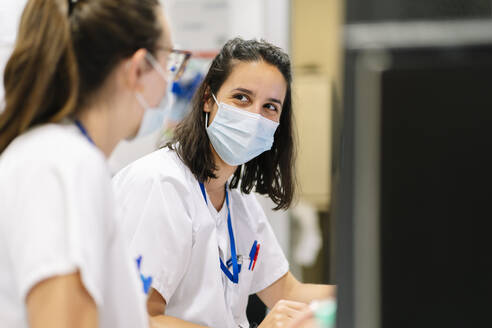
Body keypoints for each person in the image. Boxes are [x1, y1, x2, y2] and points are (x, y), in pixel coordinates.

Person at [112, 38, 336, 328]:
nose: (255, 116)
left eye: (270, 106)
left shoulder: (237, 199)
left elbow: (287, 292)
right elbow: (142, 319)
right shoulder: (161, 184)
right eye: (242, 97)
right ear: (208, 98)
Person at [0, 0, 187, 326]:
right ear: (138, 69)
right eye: (169, 61)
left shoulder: (64, 157)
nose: (172, 80)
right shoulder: (63, 164)